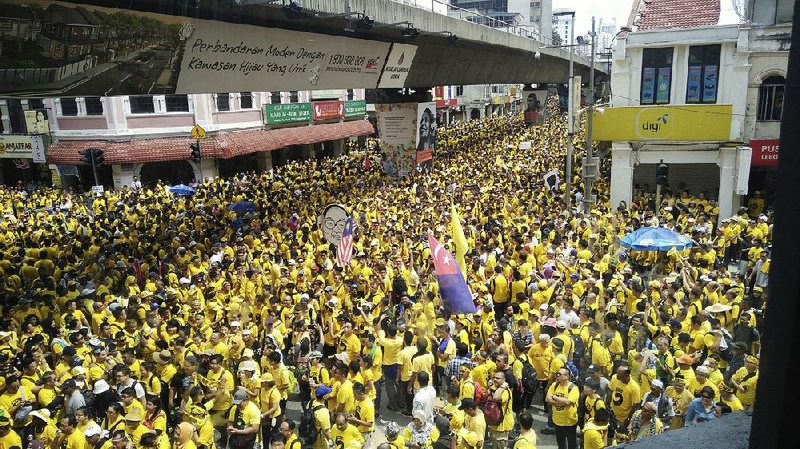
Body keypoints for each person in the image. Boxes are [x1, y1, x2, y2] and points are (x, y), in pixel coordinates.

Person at [545, 367, 579, 449]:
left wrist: (554, 397)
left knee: (572, 445)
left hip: (569, 422)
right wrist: (560, 402)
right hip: (557, 421)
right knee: (561, 444)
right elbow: (547, 399)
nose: (557, 375)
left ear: (567, 376)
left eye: (560, 374)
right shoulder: (554, 385)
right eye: (557, 373)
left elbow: (567, 402)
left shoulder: (573, 388)